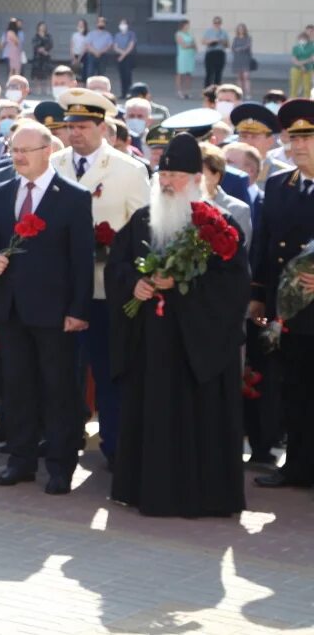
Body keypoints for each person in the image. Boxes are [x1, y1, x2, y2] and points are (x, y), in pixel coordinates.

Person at [106, 132, 249, 517]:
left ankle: (200, 497)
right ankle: (143, 490)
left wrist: (183, 287)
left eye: (176, 177)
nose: (167, 183)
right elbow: (117, 265)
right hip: (150, 345)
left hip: (196, 350)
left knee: (195, 423)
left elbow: (233, 288)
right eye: (162, 175)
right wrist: (133, 284)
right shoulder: (141, 220)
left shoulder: (219, 225)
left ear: (196, 180)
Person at [0, 119, 93, 495]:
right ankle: (20, 461)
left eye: (25, 150)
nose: (17, 157)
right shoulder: (0, 190)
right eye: (13, 150)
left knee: (58, 390)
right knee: (18, 388)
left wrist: (78, 310)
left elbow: (81, 260)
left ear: (48, 152)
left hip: (55, 312)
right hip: (11, 309)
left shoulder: (73, 197)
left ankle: (61, 467)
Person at [50, 89, 149, 469]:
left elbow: (142, 231)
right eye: (70, 125)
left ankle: (114, 445)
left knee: (108, 372)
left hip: (106, 289)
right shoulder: (53, 162)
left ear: (103, 127)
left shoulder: (128, 168)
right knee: (61, 371)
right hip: (60, 290)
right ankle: (62, 438)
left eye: (83, 126)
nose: (74, 133)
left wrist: (110, 252)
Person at [250, 99, 314, 490]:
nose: (300, 146)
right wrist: (259, 296)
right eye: (294, 138)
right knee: (293, 388)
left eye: (308, 137)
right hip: (288, 312)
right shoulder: (278, 184)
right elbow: (265, 245)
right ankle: (297, 467)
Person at [200, 16, 229, 88]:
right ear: (213, 23)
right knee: (209, 73)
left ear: (221, 23)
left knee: (218, 73)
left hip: (220, 53)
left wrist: (222, 41)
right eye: (215, 22)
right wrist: (211, 41)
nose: (217, 24)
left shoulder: (224, 32)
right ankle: (207, 91)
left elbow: (227, 45)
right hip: (210, 53)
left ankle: (216, 91)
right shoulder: (208, 31)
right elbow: (203, 42)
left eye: (218, 22)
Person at [112, 19, 138, 98]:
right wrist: (122, 54)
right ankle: (123, 93)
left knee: (128, 76)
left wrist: (123, 55)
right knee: (122, 76)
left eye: (124, 24)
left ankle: (130, 93)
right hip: (119, 57)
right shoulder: (117, 35)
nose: (122, 25)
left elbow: (131, 46)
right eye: (121, 24)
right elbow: (115, 47)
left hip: (128, 57)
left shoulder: (131, 34)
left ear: (127, 25)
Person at [174, 19, 196, 99]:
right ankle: (180, 91)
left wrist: (191, 46)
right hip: (183, 56)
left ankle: (187, 91)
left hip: (190, 56)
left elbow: (195, 45)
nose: (188, 26)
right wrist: (191, 45)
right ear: (183, 25)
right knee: (181, 73)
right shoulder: (178, 34)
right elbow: (183, 46)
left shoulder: (189, 34)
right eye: (187, 24)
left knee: (188, 75)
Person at [290, 27, 314, 100]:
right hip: (296, 68)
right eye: (300, 39)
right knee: (294, 86)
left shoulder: (312, 46)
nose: (302, 41)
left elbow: (312, 58)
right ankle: (292, 101)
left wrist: (301, 63)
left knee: (307, 87)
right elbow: (294, 60)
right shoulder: (295, 47)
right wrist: (302, 64)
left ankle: (307, 102)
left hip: (308, 69)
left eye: (304, 39)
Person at [233, 22, 255, 94]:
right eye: (239, 29)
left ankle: (248, 93)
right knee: (239, 78)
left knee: (246, 77)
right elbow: (233, 47)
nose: (241, 30)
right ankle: (239, 93)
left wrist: (239, 49)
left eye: (242, 29)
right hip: (237, 59)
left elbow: (247, 46)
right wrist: (236, 49)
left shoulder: (248, 38)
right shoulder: (236, 38)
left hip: (245, 59)